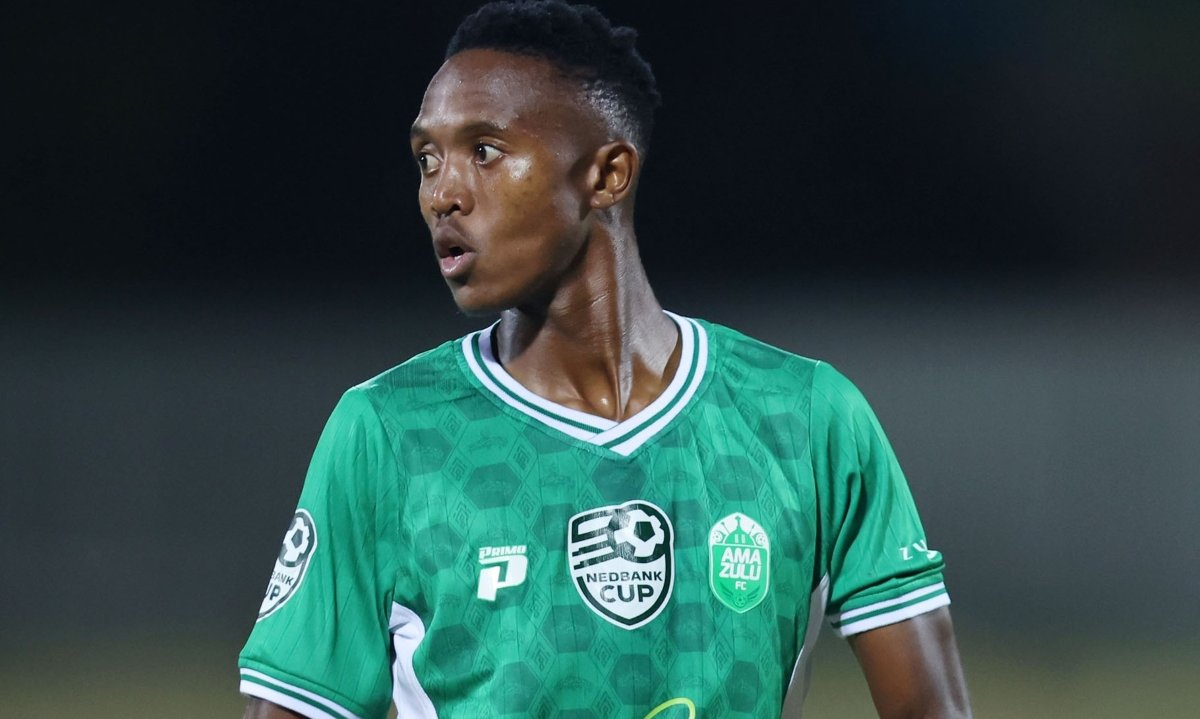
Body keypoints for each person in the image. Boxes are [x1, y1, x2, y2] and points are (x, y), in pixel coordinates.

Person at [238, 2, 973, 717]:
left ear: (607, 174)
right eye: (428, 157)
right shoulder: (389, 433)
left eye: (484, 152)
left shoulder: (808, 418)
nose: (443, 193)